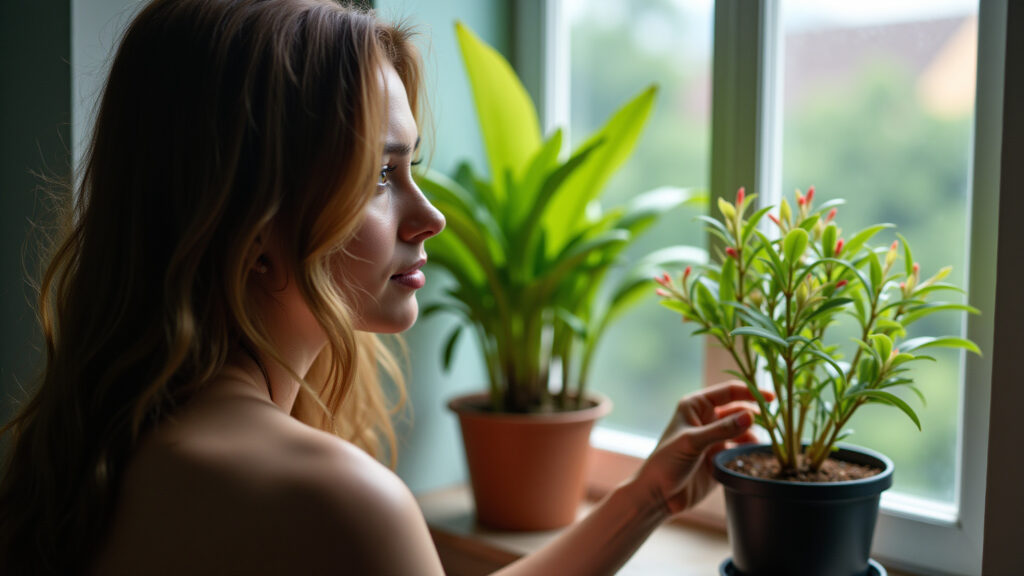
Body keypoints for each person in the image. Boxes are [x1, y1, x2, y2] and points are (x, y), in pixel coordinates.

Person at [0, 0, 770, 574]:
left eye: (411, 167)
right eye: (377, 175)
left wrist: (645, 495)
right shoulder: (332, 500)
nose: (431, 217)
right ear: (251, 221)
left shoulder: (97, 447)